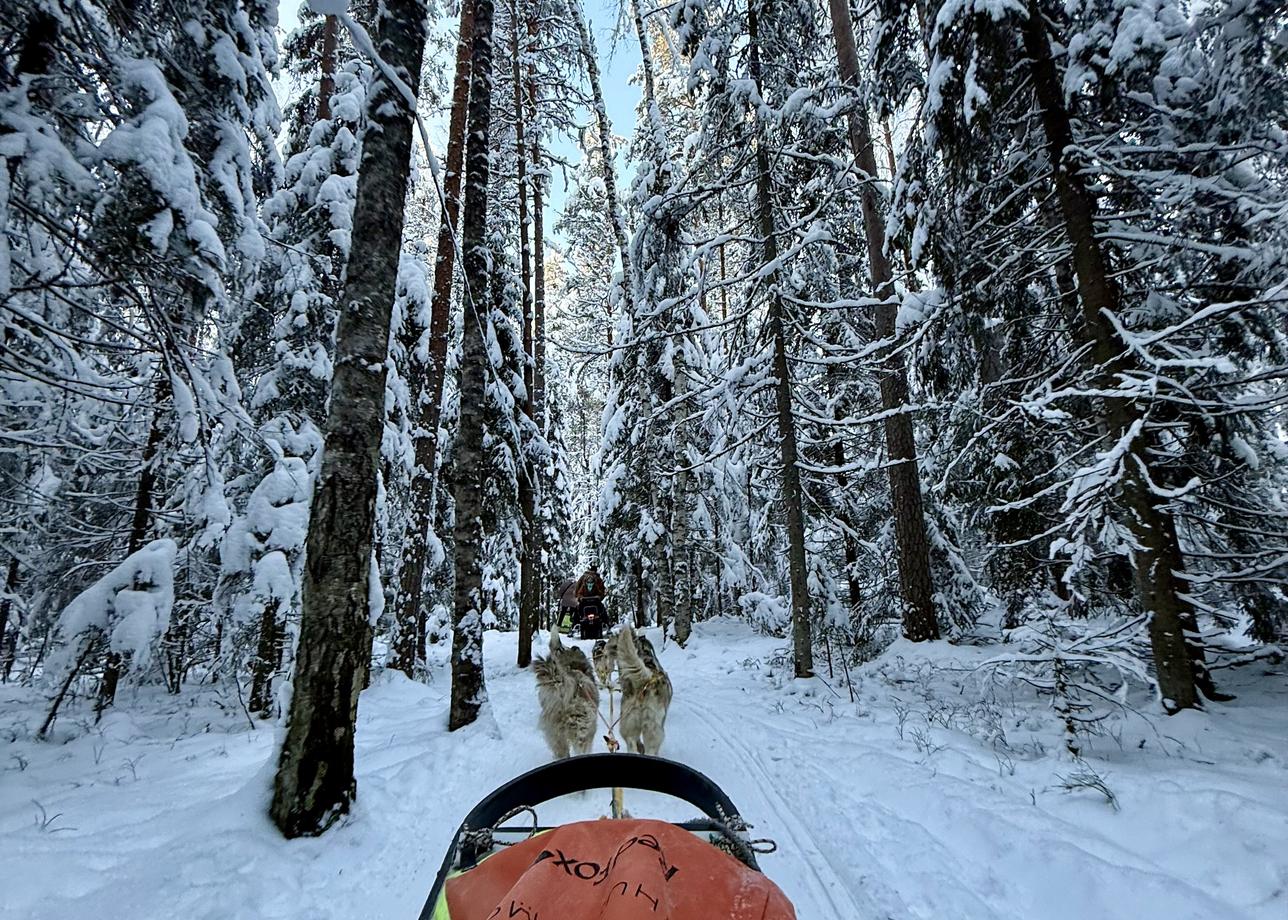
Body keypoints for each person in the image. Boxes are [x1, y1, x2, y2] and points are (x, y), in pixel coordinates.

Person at [573, 563, 607, 639]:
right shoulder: (597, 578)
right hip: (592, 601)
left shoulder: (583, 577)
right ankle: (606, 623)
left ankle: (574, 626)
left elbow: (577, 589)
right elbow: (602, 590)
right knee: (602, 609)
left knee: (578, 611)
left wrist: (578, 597)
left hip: (586, 601)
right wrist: (601, 596)